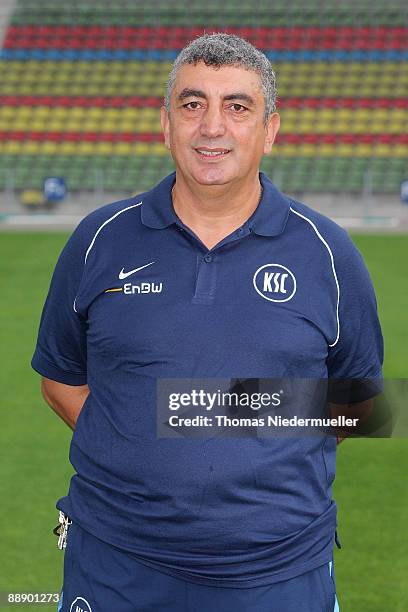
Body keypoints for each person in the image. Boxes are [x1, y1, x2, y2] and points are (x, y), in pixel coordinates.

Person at [32, 33, 383, 612]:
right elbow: (60, 377)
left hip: (279, 570)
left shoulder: (330, 253)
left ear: (270, 129)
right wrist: (134, 444)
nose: (212, 127)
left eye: (237, 107)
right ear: (165, 124)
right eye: (192, 105)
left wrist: (219, 410)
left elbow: (360, 400)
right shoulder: (97, 240)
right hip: (116, 564)